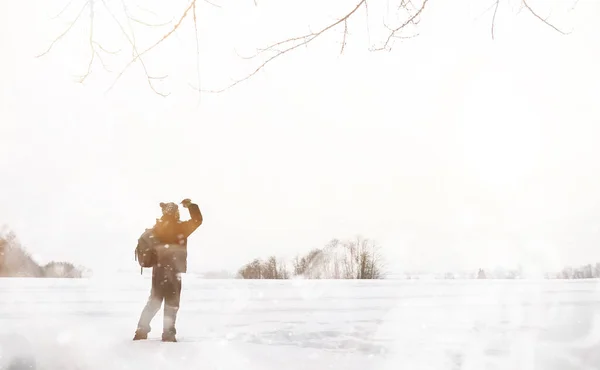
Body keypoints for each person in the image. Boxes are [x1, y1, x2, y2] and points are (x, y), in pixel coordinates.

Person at [133, 198, 203, 342]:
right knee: (172, 303)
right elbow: (197, 220)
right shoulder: (181, 228)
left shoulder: (156, 228)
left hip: (158, 271)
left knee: (154, 301)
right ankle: (168, 334)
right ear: (176, 213)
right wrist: (190, 206)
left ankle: (141, 331)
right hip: (174, 270)